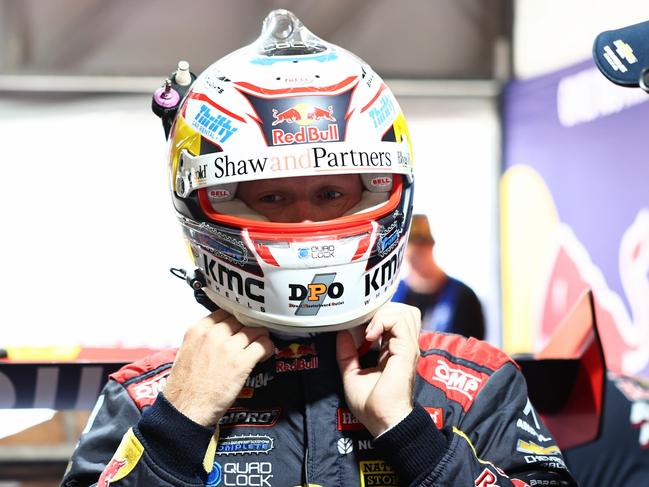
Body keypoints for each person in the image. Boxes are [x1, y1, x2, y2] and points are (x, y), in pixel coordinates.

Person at [61, 10, 576, 487]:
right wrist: (177, 426)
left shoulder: (473, 383)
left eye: (331, 193)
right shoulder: (149, 398)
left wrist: (410, 435)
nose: (306, 220)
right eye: (272, 196)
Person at [392, 214, 485, 339]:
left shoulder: (463, 296)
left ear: (431, 247)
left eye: (419, 253)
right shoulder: (393, 296)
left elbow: (475, 349)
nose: (415, 263)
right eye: (409, 257)